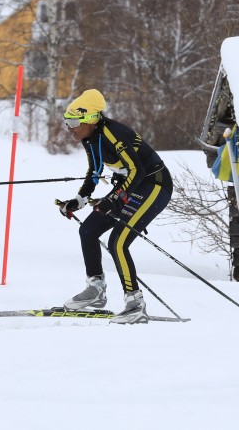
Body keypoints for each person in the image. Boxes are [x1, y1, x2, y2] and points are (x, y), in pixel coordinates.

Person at [55, 89, 172, 324]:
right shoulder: (90, 138)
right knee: (87, 230)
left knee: (118, 242)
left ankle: (135, 303)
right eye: (67, 121)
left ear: (91, 119)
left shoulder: (112, 133)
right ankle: (95, 290)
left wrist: (115, 198)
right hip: (131, 186)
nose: (70, 127)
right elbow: (95, 171)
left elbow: (137, 170)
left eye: (74, 121)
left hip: (154, 185)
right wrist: (78, 200)